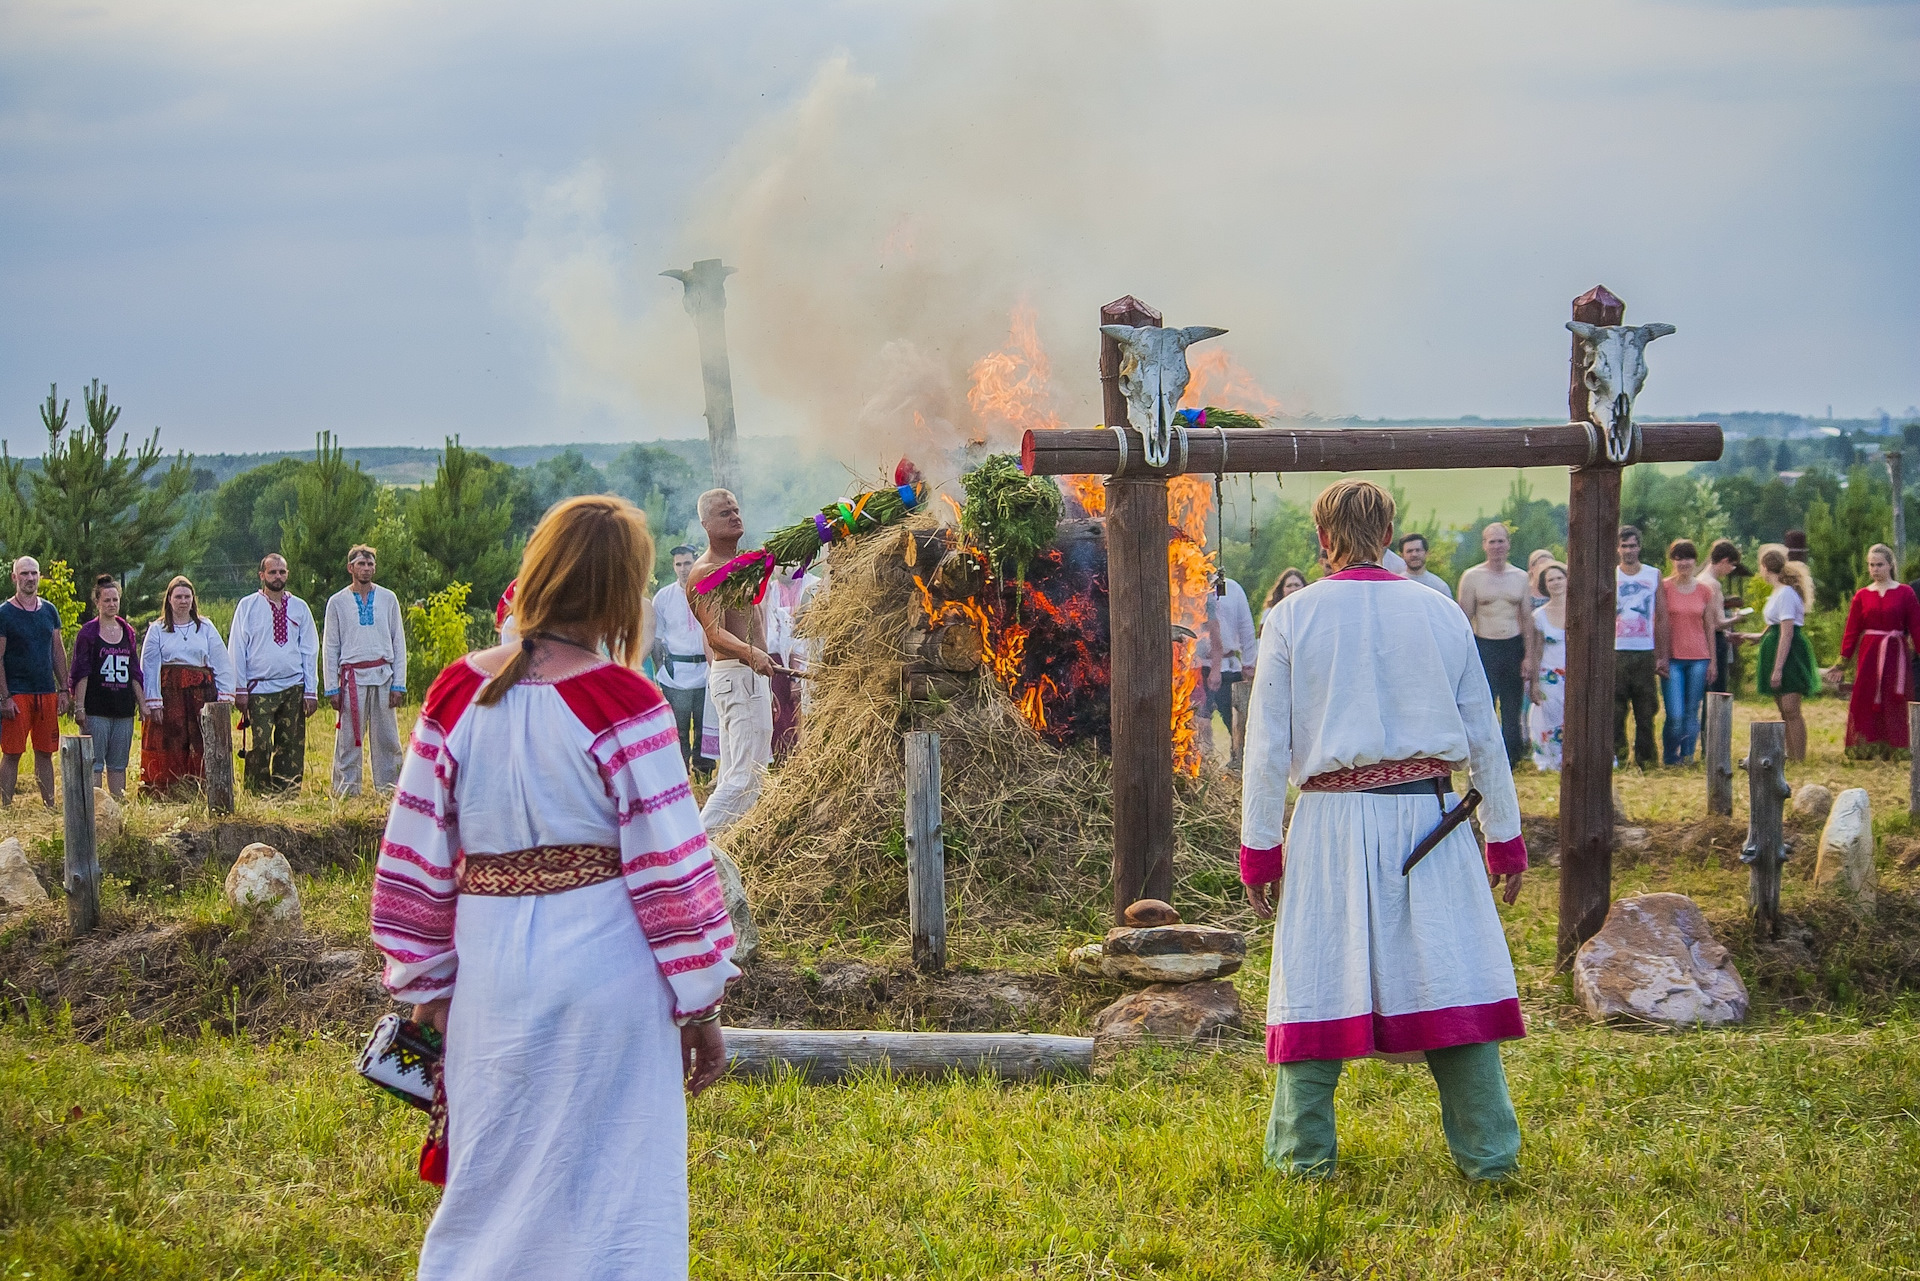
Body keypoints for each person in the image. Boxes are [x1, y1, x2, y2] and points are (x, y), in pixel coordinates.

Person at [369, 494, 738, 1281]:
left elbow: (414, 863)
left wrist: (428, 986)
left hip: (491, 975)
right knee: (615, 1181)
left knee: (491, 1171)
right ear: (618, 591)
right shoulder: (624, 700)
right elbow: (671, 874)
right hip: (608, 979)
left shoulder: (453, 693)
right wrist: (701, 1003)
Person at [1240, 477, 1527, 1182]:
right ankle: (1488, 1157)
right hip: (1430, 817)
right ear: (1390, 530)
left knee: (1317, 972)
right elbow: (1484, 736)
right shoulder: (1437, 612)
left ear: (1322, 538)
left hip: (1330, 824)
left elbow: (1264, 746)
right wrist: (1503, 835)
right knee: (1448, 971)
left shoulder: (1292, 616)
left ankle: (1301, 1159)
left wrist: (1260, 852)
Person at [687, 489, 778, 836]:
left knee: (738, 774)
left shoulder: (739, 566)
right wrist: (751, 655)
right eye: (725, 513)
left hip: (748, 678)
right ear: (706, 524)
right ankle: (695, 853)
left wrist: (765, 685)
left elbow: (753, 624)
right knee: (745, 777)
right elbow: (715, 634)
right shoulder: (706, 571)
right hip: (737, 675)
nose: (735, 516)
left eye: (736, 510)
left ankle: (726, 853)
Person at [228, 553, 320, 794]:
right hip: (260, 688)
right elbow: (237, 647)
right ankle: (256, 793)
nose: (277, 576)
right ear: (262, 575)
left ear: (287, 574)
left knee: (291, 743)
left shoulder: (299, 607)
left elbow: (310, 650)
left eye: (281, 572)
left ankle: (287, 792)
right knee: (261, 744)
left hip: (293, 686)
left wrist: (311, 690)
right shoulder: (248, 606)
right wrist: (240, 688)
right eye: (272, 572)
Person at [139, 576, 237, 796]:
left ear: (193, 600)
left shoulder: (205, 627)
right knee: (169, 740)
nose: (183, 601)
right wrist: (153, 701)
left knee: (201, 740)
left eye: (187, 596)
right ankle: (167, 790)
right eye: (178, 596)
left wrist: (223, 698)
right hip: (169, 695)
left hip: (200, 696)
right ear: (169, 600)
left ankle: (200, 789)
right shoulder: (158, 629)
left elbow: (221, 661)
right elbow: (150, 666)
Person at [323, 545, 407, 796]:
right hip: (351, 678)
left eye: (370, 564)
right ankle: (346, 791)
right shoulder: (337, 602)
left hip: (383, 675)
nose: (366, 569)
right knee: (348, 739)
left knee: (388, 737)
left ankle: (390, 789)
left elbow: (398, 642)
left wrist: (398, 683)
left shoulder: (388, 598)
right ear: (350, 568)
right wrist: (332, 687)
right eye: (361, 564)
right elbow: (330, 646)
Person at [1827, 543, 1920, 758]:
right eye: (1871, 565)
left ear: (1890, 565)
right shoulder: (1862, 595)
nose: (1875, 569)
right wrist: (1842, 661)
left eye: (1879, 564)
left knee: (1894, 697)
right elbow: (1851, 630)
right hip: (1869, 653)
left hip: (1896, 654)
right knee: (1866, 696)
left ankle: (1896, 747)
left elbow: (1916, 626)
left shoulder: (1905, 592)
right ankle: (1867, 744)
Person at [1455, 523, 1536, 766]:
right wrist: (1463, 656)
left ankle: (1513, 757)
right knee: (1484, 704)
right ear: (1484, 545)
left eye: (1501, 541)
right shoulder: (1472, 577)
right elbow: (1464, 619)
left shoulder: (1520, 577)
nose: (1497, 546)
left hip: (1512, 645)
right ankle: (1484, 756)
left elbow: (1527, 619)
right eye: (1492, 542)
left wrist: (1529, 656)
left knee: (1512, 706)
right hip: (1485, 647)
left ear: (1508, 544)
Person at [0, 557, 70, 807]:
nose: (30, 578)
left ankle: (49, 806)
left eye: (34, 573)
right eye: (25, 573)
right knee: (12, 752)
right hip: (17, 693)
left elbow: (57, 652)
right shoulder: (4, 613)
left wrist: (64, 688)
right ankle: (6, 807)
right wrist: (4, 696)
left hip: (46, 691)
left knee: (45, 752)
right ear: (14, 577)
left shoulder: (49, 610)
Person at [1735, 544, 1815, 762]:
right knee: (1783, 709)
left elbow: (1787, 631)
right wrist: (1759, 637)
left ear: (1765, 567)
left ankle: (1799, 756)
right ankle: (1789, 754)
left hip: (1788, 652)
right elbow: (1774, 624)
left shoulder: (1786, 593)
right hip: (1774, 646)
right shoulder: (1777, 592)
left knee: (1791, 708)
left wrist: (1778, 668)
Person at [69, 575, 143, 800]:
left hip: (122, 708)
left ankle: (117, 806)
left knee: (119, 763)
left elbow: (134, 671)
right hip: (96, 708)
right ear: (97, 602)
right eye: (107, 600)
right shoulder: (88, 633)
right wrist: (79, 707)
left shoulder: (127, 631)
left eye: (115, 600)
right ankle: (95, 808)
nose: (112, 604)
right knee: (94, 763)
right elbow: (81, 672)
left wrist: (143, 703)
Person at [651, 545, 712, 775]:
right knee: (679, 731)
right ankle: (680, 778)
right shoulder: (663, 598)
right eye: (679, 564)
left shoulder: (706, 591)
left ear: (696, 562)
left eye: (688, 563)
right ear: (673, 567)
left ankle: (703, 776)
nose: (683, 569)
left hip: (705, 671)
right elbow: (656, 641)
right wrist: (661, 672)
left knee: (705, 730)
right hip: (676, 674)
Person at [1614, 525, 1668, 770]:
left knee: (1646, 710)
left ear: (1640, 546)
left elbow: (1663, 616)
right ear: (1617, 548)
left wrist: (1662, 654)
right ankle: (1618, 758)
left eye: (1633, 545)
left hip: (1644, 650)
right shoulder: (1611, 575)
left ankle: (1647, 761)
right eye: (1624, 546)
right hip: (1617, 649)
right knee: (1615, 710)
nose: (1628, 551)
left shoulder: (1652, 574)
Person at [1659, 540, 1716, 766]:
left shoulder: (1705, 591)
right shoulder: (1663, 588)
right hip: (1672, 658)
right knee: (1675, 714)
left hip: (1699, 658)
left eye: (1688, 558)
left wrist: (1713, 661)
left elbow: (1709, 626)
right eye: (1679, 558)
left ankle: (1688, 756)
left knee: (1693, 711)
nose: (1684, 563)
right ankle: (1670, 757)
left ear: (1695, 560)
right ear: (1672, 561)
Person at [1525, 561, 1568, 771]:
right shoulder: (1539, 616)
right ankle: (1551, 759)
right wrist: (1533, 682)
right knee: (1550, 715)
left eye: (1560, 577)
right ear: (1544, 585)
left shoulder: (1580, 609)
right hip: (1549, 674)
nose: (1556, 583)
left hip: (1575, 673)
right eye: (1551, 580)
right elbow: (1536, 650)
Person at [1701, 540, 1741, 695]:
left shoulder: (1700, 579)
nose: (1731, 570)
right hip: (1715, 642)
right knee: (1718, 689)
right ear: (1724, 561)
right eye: (1732, 565)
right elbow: (1717, 623)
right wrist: (1737, 618)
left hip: (1702, 639)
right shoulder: (1713, 584)